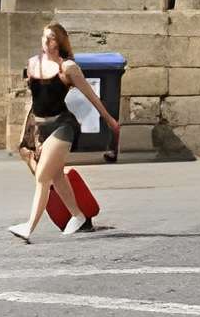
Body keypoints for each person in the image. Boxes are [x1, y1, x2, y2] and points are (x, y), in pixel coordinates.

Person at [11, 21, 119, 242]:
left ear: (59, 43)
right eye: (44, 37)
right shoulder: (32, 64)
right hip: (40, 125)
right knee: (57, 175)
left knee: (43, 176)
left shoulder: (67, 68)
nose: (46, 41)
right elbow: (33, 103)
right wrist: (26, 133)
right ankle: (78, 216)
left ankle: (29, 227)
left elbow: (91, 95)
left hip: (63, 126)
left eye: (51, 38)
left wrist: (109, 120)